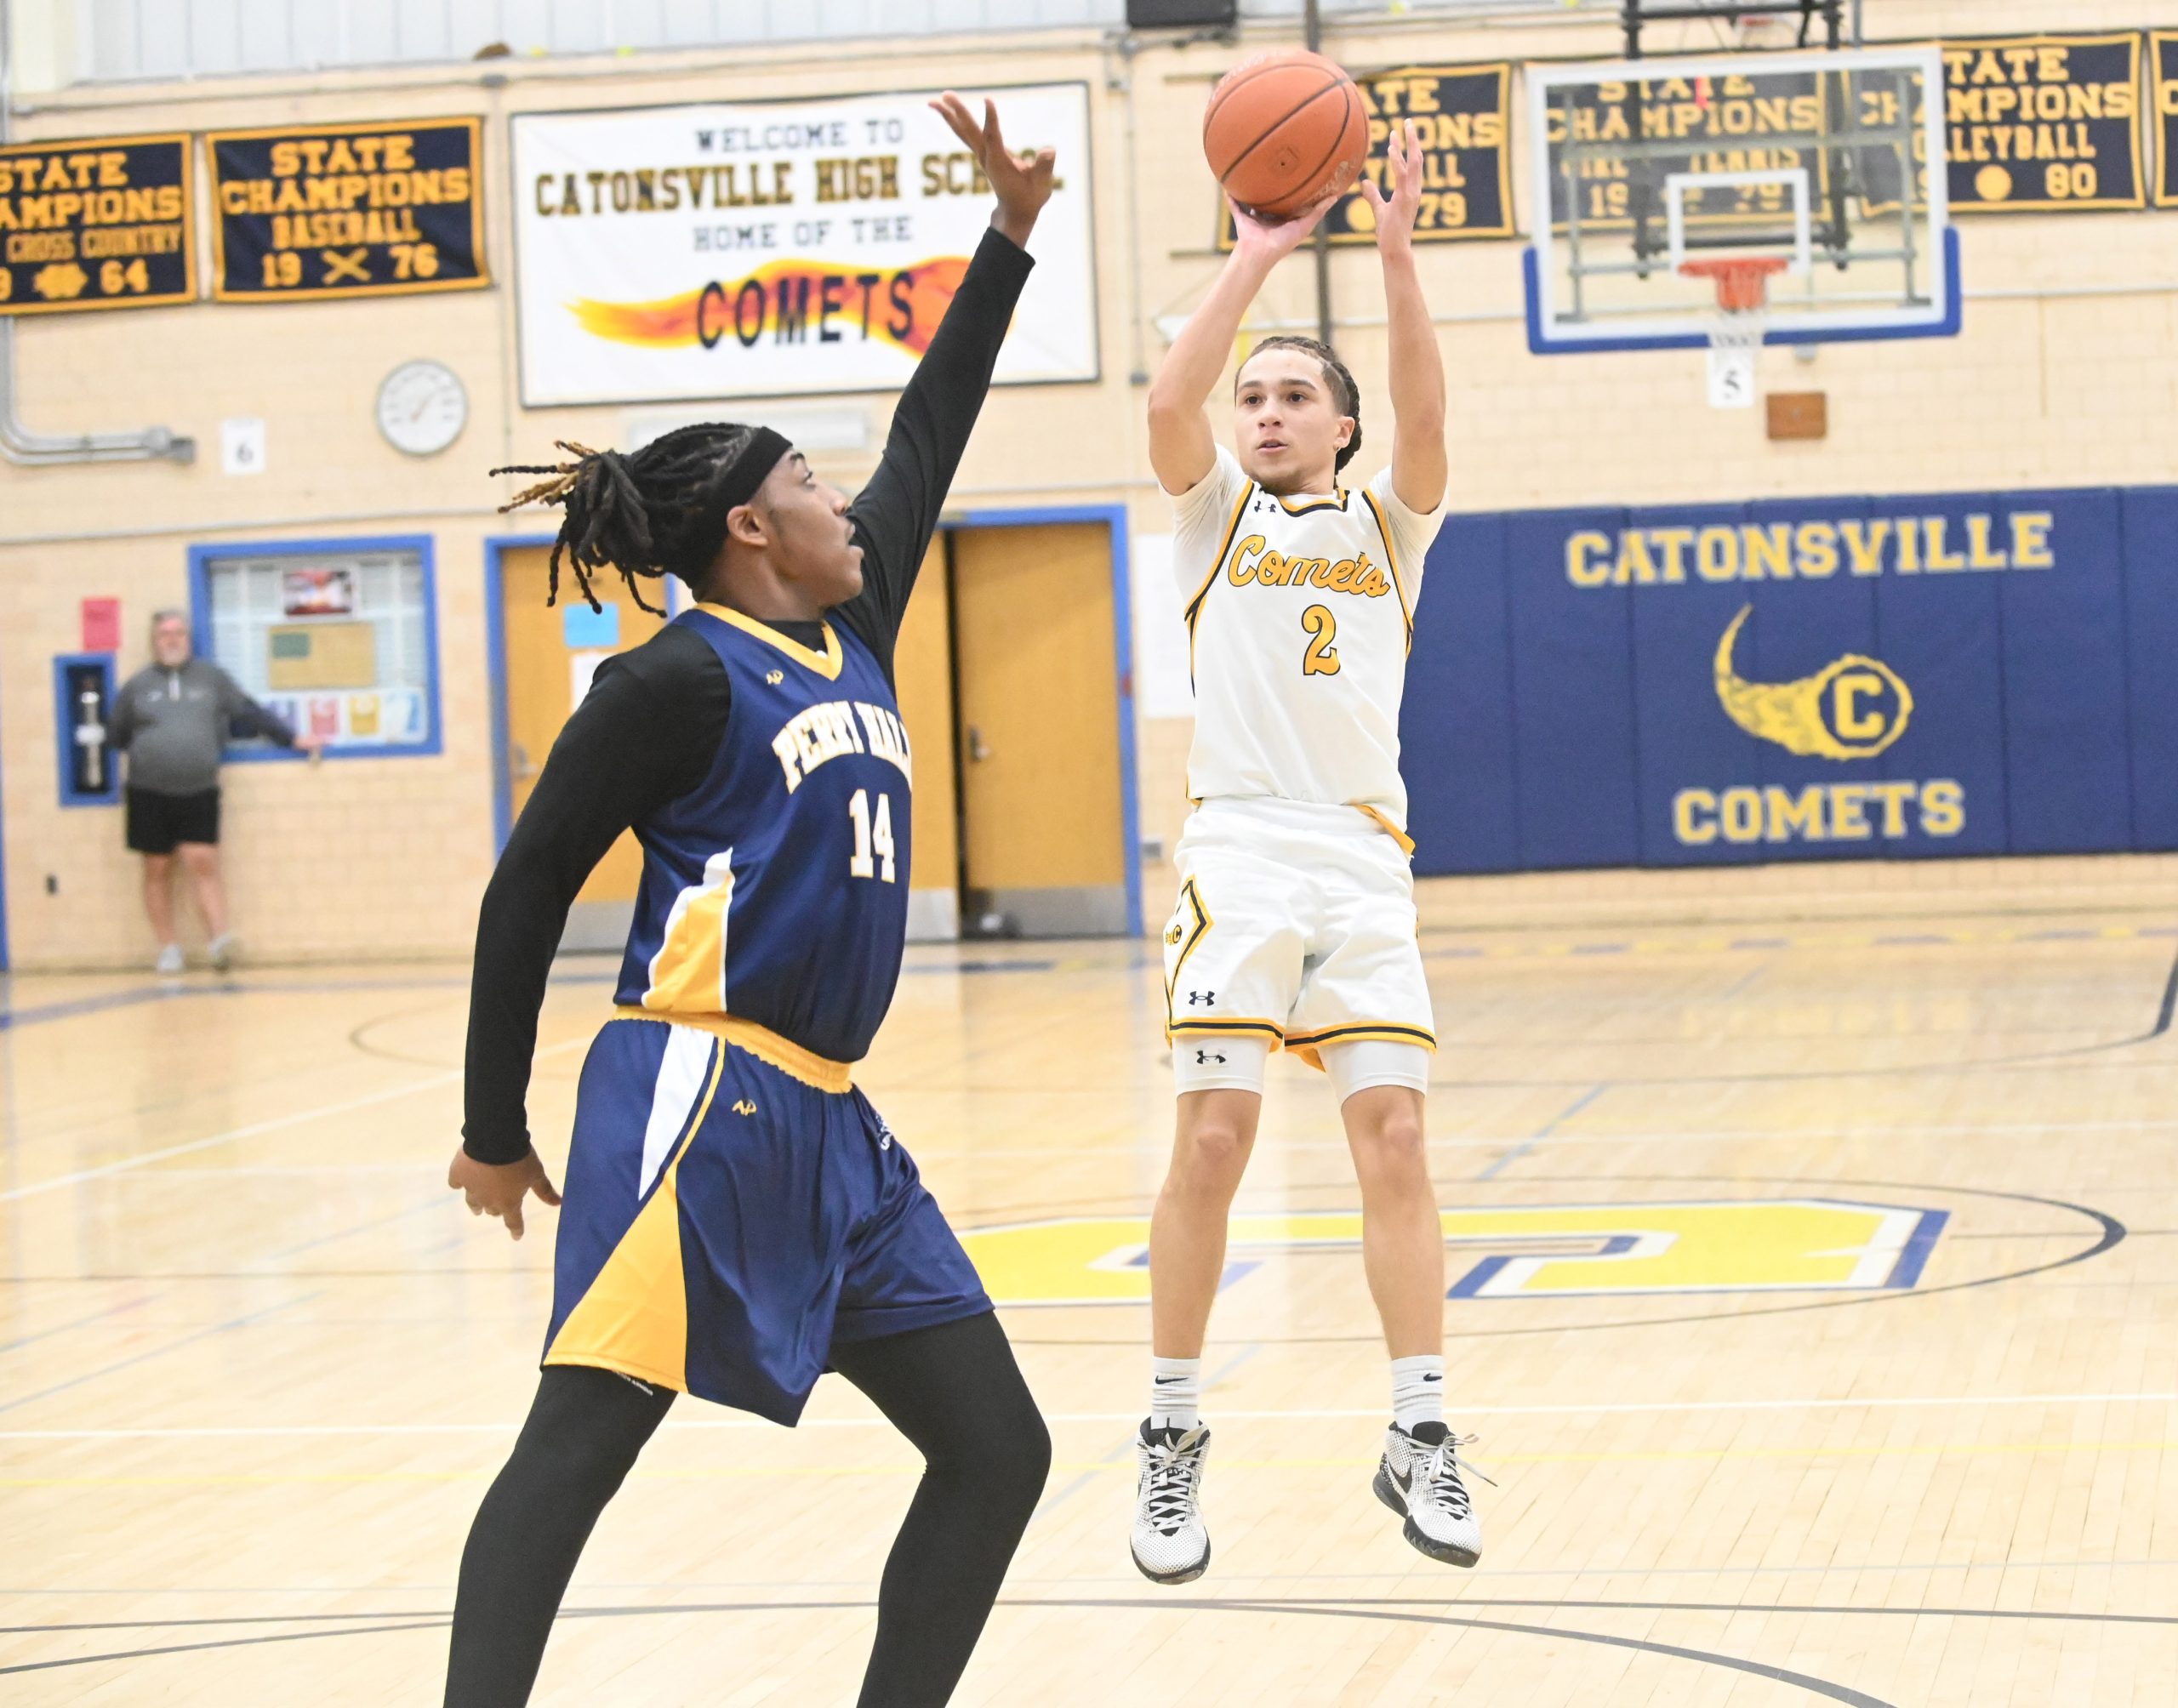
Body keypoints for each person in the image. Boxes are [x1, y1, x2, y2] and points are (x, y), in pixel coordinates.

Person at [442, 95, 1055, 1708]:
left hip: (835, 1122)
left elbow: (937, 426)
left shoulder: (854, 630)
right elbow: (525, 892)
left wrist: (1007, 233)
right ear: (746, 528)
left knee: (998, 1447)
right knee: (581, 1437)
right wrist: (493, 1124)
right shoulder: (669, 679)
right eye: (810, 479)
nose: (847, 500)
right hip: (696, 1089)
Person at [1129, 122, 1476, 1584]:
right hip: (1241, 854)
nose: (1265, 411)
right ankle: (1168, 1431)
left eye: (1292, 397)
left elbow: (1425, 416)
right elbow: (1167, 401)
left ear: (1337, 427)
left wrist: (1393, 262)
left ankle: (1422, 1424)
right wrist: (1256, 257)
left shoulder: (1389, 528)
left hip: (1363, 858)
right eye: (1254, 394)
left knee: (1393, 1136)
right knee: (1216, 1138)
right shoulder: (1213, 521)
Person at [106, 608, 322, 973]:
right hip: (148, 793)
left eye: (178, 633)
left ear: (188, 638)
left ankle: (220, 941)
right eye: (164, 634)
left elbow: (249, 711)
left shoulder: (211, 679)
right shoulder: (137, 686)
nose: (172, 639)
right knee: (156, 869)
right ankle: (168, 949)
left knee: (202, 862)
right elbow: (118, 735)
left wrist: (293, 737)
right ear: (154, 641)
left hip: (199, 790)